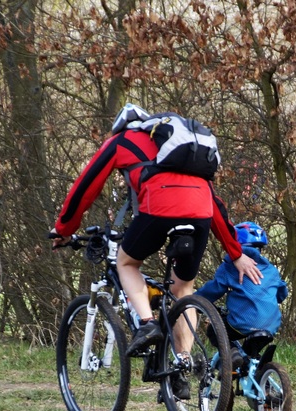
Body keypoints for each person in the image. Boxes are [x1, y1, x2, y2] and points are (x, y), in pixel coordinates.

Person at [52, 103, 263, 361]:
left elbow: (86, 186)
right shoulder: (178, 150)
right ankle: (182, 361)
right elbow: (212, 204)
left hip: (159, 207)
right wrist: (235, 252)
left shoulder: (121, 141)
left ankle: (147, 323)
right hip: (201, 214)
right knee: (183, 288)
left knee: (126, 263)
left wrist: (64, 228)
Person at [195, 221, 288, 366]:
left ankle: (231, 352)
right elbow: (282, 294)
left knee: (214, 330)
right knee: (250, 358)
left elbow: (214, 289)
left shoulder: (230, 267)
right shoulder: (271, 270)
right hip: (271, 325)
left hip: (243, 322)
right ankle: (261, 377)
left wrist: (195, 300)